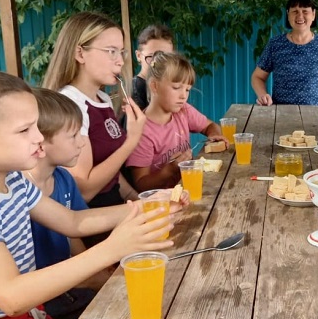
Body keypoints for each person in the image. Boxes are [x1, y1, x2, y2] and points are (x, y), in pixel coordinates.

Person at [0, 67, 178, 319]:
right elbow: (10, 296)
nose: (39, 137)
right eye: (25, 130)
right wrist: (112, 249)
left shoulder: (12, 181)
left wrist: (147, 207)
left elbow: (72, 222)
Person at [42, 12, 146, 212]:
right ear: (80, 53)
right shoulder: (70, 104)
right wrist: (132, 140)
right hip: (90, 222)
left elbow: (111, 173)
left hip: (115, 210)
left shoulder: (102, 99)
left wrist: (138, 199)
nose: (120, 61)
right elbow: (86, 191)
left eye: (121, 52)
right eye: (111, 51)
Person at [26, 88, 108, 319]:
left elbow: (73, 232)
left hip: (73, 288)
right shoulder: (20, 190)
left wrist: (94, 273)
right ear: (40, 142)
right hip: (44, 301)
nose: (83, 142)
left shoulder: (63, 178)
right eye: (73, 135)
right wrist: (92, 277)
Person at [127, 52, 227, 191]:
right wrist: (169, 170)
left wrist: (214, 135)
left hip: (187, 189)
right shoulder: (143, 131)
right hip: (163, 202)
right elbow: (141, 184)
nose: (183, 96)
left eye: (187, 90)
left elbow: (210, 125)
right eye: (176, 88)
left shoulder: (183, 111)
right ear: (154, 86)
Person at [251, 0, 318, 106]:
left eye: (305, 11)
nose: (300, 16)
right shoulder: (275, 45)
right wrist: (262, 95)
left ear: (313, 14)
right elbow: (258, 77)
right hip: (282, 114)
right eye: (295, 11)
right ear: (288, 14)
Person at [132, 24, 174, 110]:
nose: (159, 63)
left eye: (166, 57)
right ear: (138, 56)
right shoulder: (136, 90)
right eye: (151, 56)